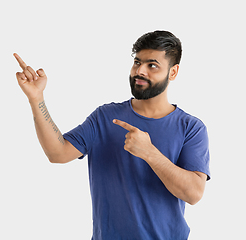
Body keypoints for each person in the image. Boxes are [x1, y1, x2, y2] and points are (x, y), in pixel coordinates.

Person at [14, 30, 210, 240]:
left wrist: (150, 153)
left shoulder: (191, 128)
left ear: (173, 72)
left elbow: (194, 194)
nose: (140, 71)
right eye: (137, 62)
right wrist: (36, 99)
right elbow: (57, 153)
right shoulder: (106, 117)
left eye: (152, 65)